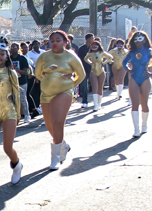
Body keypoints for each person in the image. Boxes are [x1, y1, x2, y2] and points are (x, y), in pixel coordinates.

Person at [35, 30, 85, 169]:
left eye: (58, 40)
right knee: (50, 126)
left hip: (64, 92)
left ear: (65, 42)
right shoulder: (44, 56)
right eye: (52, 41)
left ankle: (55, 158)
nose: (55, 43)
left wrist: (70, 85)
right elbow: (37, 74)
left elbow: (81, 75)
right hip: (46, 94)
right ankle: (63, 145)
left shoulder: (71, 56)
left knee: (57, 122)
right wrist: (47, 79)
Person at [0, 38, 23, 194]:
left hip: (9, 111)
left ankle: (17, 165)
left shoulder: (11, 73)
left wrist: (19, 114)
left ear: (7, 56)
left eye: (2, 54)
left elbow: (17, 94)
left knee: (8, 148)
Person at [123, 32, 152, 137]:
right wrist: (128, 69)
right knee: (134, 104)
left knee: (144, 103)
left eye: (140, 39)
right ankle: (136, 129)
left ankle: (144, 125)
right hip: (134, 78)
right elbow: (124, 62)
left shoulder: (149, 51)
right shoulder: (131, 52)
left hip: (145, 78)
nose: (137, 41)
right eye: (135, 39)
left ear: (144, 40)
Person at [83, 40, 112, 111]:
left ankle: (99, 104)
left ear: (99, 46)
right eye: (92, 45)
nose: (94, 47)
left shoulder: (102, 53)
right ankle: (95, 105)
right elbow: (85, 58)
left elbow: (110, 57)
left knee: (100, 88)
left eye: (96, 45)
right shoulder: (90, 54)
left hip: (101, 71)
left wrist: (104, 62)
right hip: (93, 71)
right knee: (94, 88)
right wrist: (90, 63)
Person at [9, 42, 32, 123]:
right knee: (13, 99)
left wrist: (16, 70)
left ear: (18, 49)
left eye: (14, 48)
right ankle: (15, 116)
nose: (12, 49)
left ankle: (27, 115)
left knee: (23, 98)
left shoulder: (22, 58)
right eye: (11, 48)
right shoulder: (8, 58)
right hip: (12, 82)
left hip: (22, 81)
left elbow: (26, 72)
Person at [75, 33, 95, 108]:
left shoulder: (94, 48)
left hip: (93, 69)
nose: (93, 39)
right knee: (84, 86)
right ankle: (85, 101)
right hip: (84, 69)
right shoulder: (81, 49)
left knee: (95, 85)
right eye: (92, 38)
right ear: (87, 39)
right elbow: (79, 59)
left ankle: (96, 101)